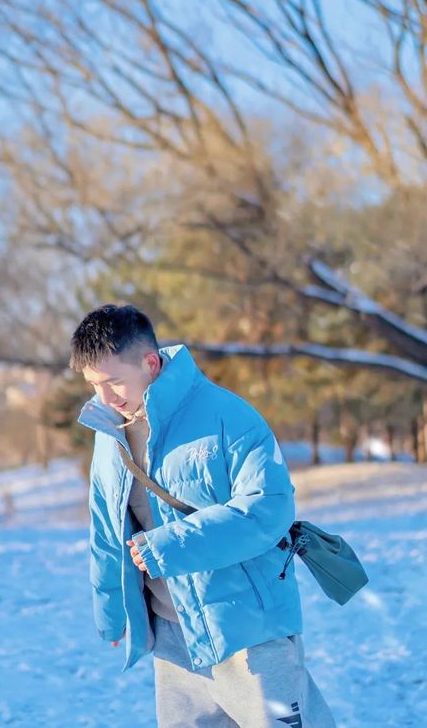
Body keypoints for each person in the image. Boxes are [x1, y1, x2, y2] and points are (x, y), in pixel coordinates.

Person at [71, 304, 336, 728]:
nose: (105, 397)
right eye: (93, 384)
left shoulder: (228, 416)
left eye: (114, 381)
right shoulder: (108, 436)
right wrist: (112, 608)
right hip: (173, 640)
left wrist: (170, 546)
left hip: (247, 629)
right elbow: (105, 531)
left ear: (151, 363)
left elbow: (268, 509)